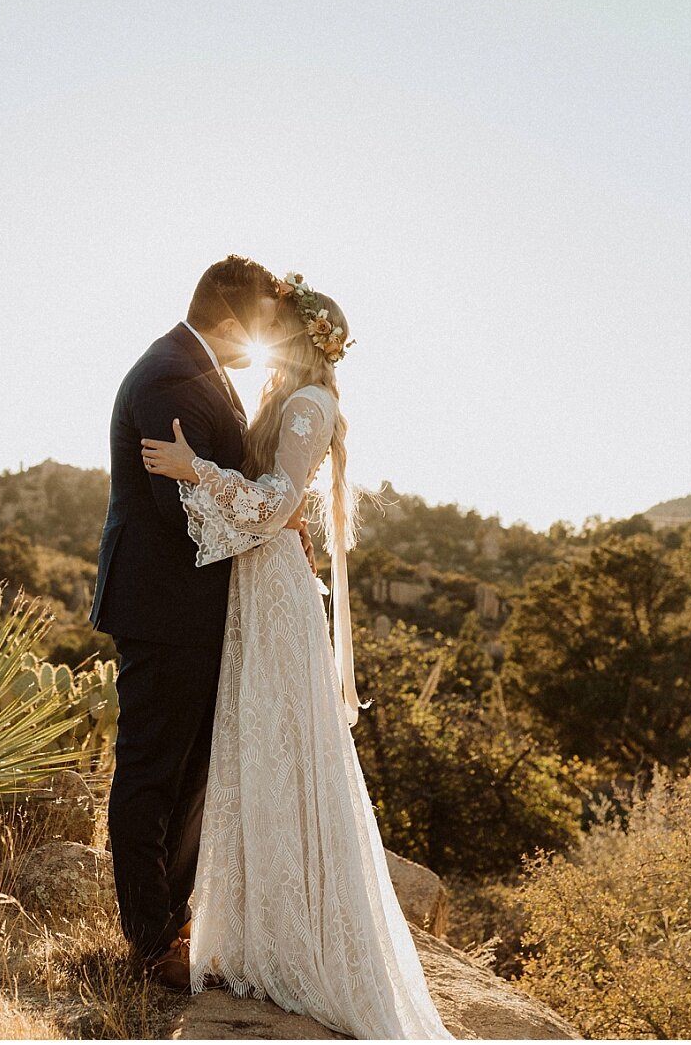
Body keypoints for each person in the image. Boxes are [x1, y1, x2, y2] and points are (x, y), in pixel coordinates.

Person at [140, 272, 454, 1038]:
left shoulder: (313, 406)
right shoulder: (285, 401)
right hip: (257, 581)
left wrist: (196, 472)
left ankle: (298, 940)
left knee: (282, 745)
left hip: (275, 593)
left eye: (278, 323)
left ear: (304, 339)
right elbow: (273, 502)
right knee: (254, 745)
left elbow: (277, 504)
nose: (266, 329)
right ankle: (250, 931)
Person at [88, 254, 311, 990]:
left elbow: (217, 495)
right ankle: (150, 941)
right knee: (153, 773)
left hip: (199, 609)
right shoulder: (167, 379)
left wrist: (274, 511)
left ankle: (174, 920)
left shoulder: (200, 369)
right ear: (229, 318)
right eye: (262, 325)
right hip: (164, 608)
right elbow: (178, 514)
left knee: (190, 777)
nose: (266, 342)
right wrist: (271, 518)